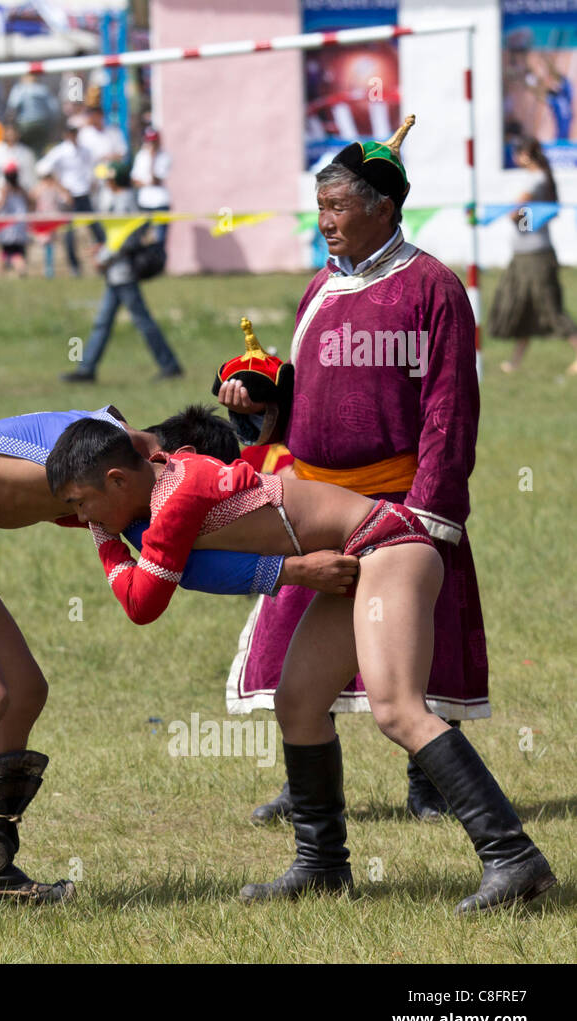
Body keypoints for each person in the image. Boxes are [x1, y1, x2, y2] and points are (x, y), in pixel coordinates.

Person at [0, 405, 360, 915]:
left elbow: (170, 556)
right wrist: (290, 569)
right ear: (169, 460)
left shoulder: (105, 453)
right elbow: (167, 570)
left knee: (24, 692)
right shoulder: (101, 467)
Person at [46, 419, 555, 915]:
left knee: (398, 711)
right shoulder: (153, 484)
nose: (80, 515)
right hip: (361, 559)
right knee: (298, 706)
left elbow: (141, 603)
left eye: (81, 502)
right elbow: (114, 502)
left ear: (117, 479)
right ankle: (323, 865)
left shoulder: (173, 500)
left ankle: (513, 857)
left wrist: (104, 541)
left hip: (388, 548)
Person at [217, 116, 490, 824]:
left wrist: (429, 508)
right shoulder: (321, 289)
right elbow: (307, 391)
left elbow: (449, 407)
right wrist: (261, 397)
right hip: (317, 505)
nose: (326, 223)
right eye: (320, 210)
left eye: (338, 208)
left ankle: (432, 785)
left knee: (412, 644)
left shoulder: (433, 288)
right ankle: (309, 786)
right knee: (295, 646)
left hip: (400, 500)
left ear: (383, 207)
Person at [61, 162, 181, 384]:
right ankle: (86, 369)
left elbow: (127, 238)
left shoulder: (126, 202)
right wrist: (103, 249)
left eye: (108, 178)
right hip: (115, 274)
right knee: (103, 322)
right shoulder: (122, 200)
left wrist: (104, 257)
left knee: (142, 322)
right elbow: (116, 237)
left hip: (123, 272)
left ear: (116, 180)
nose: (106, 182)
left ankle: (169, 365)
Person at [489, 136, 577, 375]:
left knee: (551, 308)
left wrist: (514, 215)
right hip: (524, 257)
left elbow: (516, 213)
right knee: (523, 306)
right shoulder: (538, 178)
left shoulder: (536, 180)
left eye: (518, 153)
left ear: (526, 154)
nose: (516, 157)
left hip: (536, 257)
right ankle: (515, 361)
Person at [36, 124, 96, 276]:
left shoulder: (85, 150)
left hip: (84, 194)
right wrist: (60, 187)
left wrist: (91, 182)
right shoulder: (60, 151)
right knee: (70, 233)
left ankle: (100, 261)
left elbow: (90, 169)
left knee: (95, 228)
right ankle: (74, 266)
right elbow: (43, 167)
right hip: (69, 197)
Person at [0, 123, 36, 210]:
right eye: (8, 134)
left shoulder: (26, 153)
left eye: (13, 134)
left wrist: (31, 197)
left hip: (19, 196)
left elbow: (30, 177)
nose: (10, 136)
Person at [0, 164, 31, 277]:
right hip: (20, 227)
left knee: (7, 253)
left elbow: (0, 206)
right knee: (15, 252)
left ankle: (5, 274)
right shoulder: (22, 190)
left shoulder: (5, 190)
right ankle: (14, 271)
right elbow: (29, 204)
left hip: (8, 228)